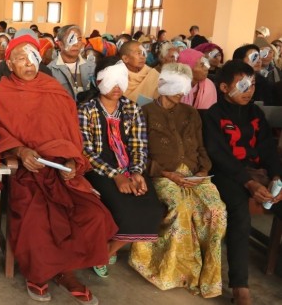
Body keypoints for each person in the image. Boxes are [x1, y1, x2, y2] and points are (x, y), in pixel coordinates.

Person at [0, 33, 116, 304]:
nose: (28, 63)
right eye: (20, 58)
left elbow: (72, 134)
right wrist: (20, 151)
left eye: (33, 57)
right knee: (36, 218)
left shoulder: (53, 89)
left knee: (91, 214)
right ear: (9, 64)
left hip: (61, 169)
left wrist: (72, 162)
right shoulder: (3, 90)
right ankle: (38, 275)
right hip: (28, 171)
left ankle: (66, 272)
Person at [130, 63, 226, 298]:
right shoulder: (144, 112)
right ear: (163, 87)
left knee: (217, 210)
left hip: (195, 175)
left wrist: (203, 172)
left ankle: (207, 277)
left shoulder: (191, 113)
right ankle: (175, 272)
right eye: (176, 89)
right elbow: (139, 153)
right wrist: (166, 173)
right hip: (163, 175)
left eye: (184, 89)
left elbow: (201, 147)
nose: (181, 94)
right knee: (181, 208)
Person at [202, 60, 282, 305]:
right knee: (240, 216)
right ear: (224, 87)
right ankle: (240, 287)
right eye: (243, 85)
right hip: (228, 175)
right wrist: (249, 183)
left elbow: (268, 148)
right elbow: (219, 156)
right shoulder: (213, 115)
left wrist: (277, 177)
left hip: (258, 173)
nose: (249, 90)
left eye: (253, 85)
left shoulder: (256, 114)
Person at [78, 57, 164, 278]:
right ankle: (104, 251)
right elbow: (87, 151)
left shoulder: (132, 108)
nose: (117, 87)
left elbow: (139, 145)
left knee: (153, 209)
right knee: (123, 210)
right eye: (111, 80)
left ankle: (108, 251)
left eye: (121, 80)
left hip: (129, 167)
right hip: (100, 169)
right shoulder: (86, 110)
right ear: (98, 81)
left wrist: (136, 172)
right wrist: (116, 176)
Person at [47, 25, 94, 101]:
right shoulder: (50, 70)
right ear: (60, 44)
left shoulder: (91, 66)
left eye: (79, 40)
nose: (76, 44)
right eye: (71, 39)